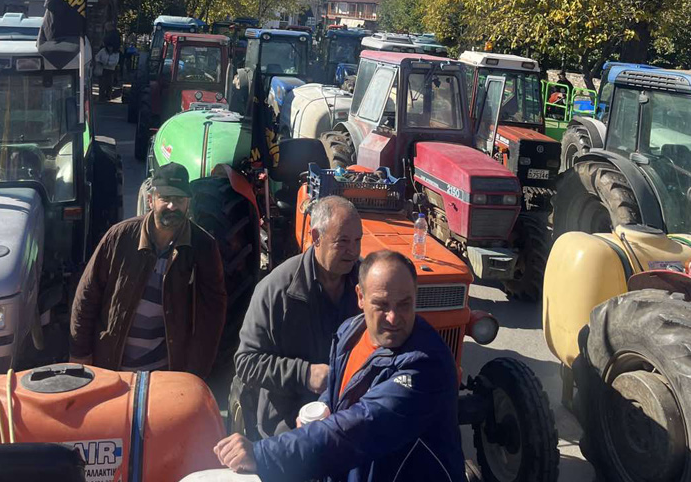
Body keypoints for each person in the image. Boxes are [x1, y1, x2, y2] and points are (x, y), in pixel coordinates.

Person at [216, 250, 465, 482]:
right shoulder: (350, 332)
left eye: (404, 304)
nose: (393, 317)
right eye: (381, 305)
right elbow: (340, 386)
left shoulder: (425, 365)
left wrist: (264, 454)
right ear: (360, 297)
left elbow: (361, 426)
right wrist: (325, 405)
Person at [69, 163, 227, 376]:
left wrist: (195, 373)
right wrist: (80, 354)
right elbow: (87, 295)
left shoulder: (203, 247)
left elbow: (212, 315)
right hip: (112, 368)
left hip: (165, 374)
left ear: (188, 203)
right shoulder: (120, 237)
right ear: (151, 200)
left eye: (179, 199)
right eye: (166, 198)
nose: (172, 206)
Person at [234, 196, 363, 439]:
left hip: (350, 416)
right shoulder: (276, 290)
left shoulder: (365, 284)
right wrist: (305, 374)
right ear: (316, 237)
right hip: (287, 423)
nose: (353, 251)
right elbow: (246, 363)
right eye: (343, 241)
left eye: (358, 240)